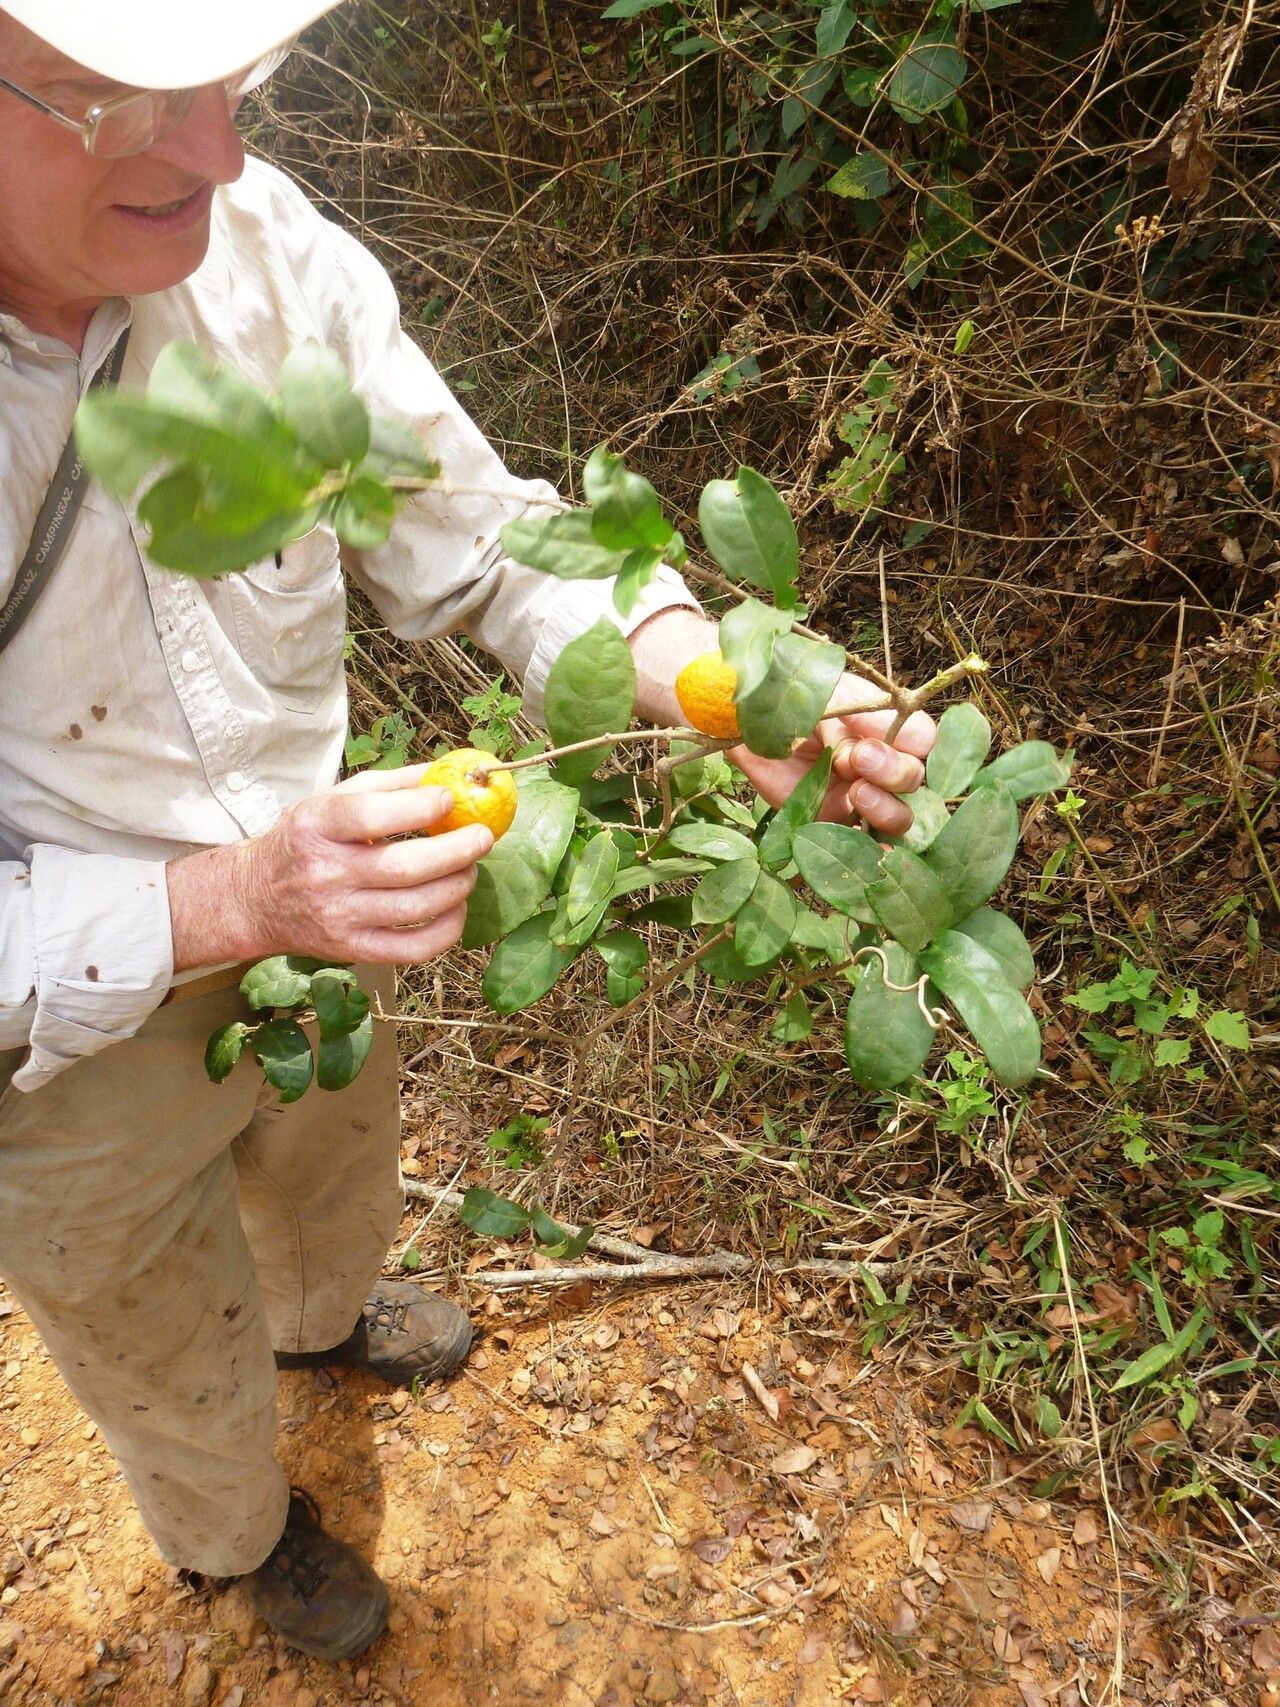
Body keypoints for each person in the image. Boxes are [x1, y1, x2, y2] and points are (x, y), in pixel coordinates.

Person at [0, 0, 934, 1663]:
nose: (215, 152)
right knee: (138, 1308)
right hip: (58, 1038)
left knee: (330, 1158)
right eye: (118, 105)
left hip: (331, 917)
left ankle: (319, 1328)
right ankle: (236, 1531)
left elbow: (493, 550)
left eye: (232, 85)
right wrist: (221, 899)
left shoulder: (264, 252)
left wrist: (732, 688)